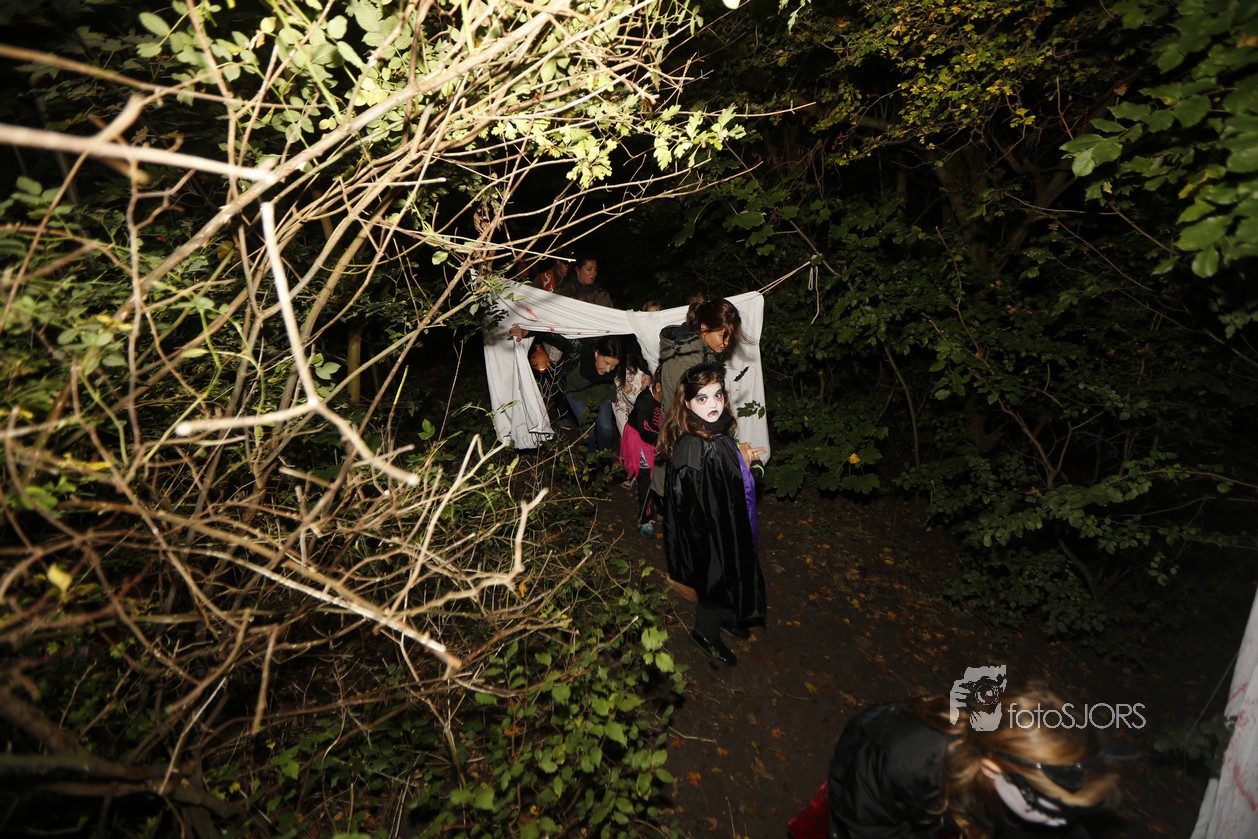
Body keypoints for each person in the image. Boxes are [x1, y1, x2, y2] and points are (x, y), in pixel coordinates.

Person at [787, 681, 1125, 839]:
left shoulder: (1027, 782)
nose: (1060, 825)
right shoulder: (900, 754)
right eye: (1049, 811)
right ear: (992, 769)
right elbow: (864, 823)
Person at [657, 361, 766, 666]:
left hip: (711, 523)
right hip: (706, 531)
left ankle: (727, 617)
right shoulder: (704, 445)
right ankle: (705, 633)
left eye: (718, 395)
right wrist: (753, 467)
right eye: (702, 398)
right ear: (687, 402)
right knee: (714, 579)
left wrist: (737, 455)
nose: (713, 404)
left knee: (726, 570)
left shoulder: (703, 431)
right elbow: (736, 486)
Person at [650, 294, 748, 505]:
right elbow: (694, 418)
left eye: (730, 337)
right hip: (684, 452)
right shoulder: (687, 361)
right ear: (704, 328)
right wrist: (731, 451)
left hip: (692, 449)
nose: (727, 343)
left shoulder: (702, 352)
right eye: (723, 335)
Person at [508, 324, 624, 452]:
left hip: (601, 390)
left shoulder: (615, 363)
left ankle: (604, 455)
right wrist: (527, 331)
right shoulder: (579, 345)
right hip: (575, 389)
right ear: (596, 353)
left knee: (606, 428)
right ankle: (589, 458)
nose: (608, 369)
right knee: (587, 429)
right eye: (606, 363)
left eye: (613, 366)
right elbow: (553, 334)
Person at [620, 371, 662, 537]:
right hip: (639, 439)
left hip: (657, 439)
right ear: (658, 387)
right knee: (647, 476)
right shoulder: (644, 399)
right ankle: (646, 518)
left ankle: (661, 507)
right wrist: (665, 440)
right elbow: (645, 430)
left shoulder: (668, 397)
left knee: (662, 473)